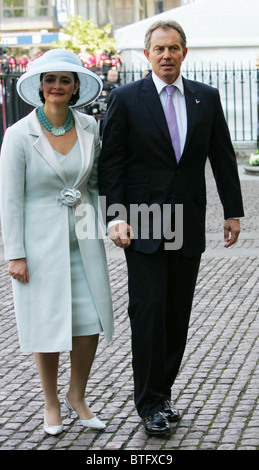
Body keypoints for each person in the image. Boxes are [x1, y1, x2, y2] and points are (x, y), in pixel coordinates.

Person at [98, 21, 244, 436]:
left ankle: (162, 393)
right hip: (142, 222)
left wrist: (232, 211)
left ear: (184, 52)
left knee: (176, 313)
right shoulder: (126, 99)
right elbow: (112, 164)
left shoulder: (205, 98)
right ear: (146, 55)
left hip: (187, 222)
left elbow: (222, 156)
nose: (166, 55)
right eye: (159, 48)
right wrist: (116, 216)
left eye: (174, 48)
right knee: (148, 312)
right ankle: (148, 403)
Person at [0, 49, 113, 435]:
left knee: (90, 320)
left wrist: (107, 225)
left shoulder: (90, 128)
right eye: (51, 80)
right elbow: (10, 198)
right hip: (38, 243)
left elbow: (96, 183)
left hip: (82, 238)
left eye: (66, 80)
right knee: (46, 322)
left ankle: (76, 396)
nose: (58, 86)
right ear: (39, 86)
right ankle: (51, 402)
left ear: (76, 86)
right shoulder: (18, 135)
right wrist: (14, 253)